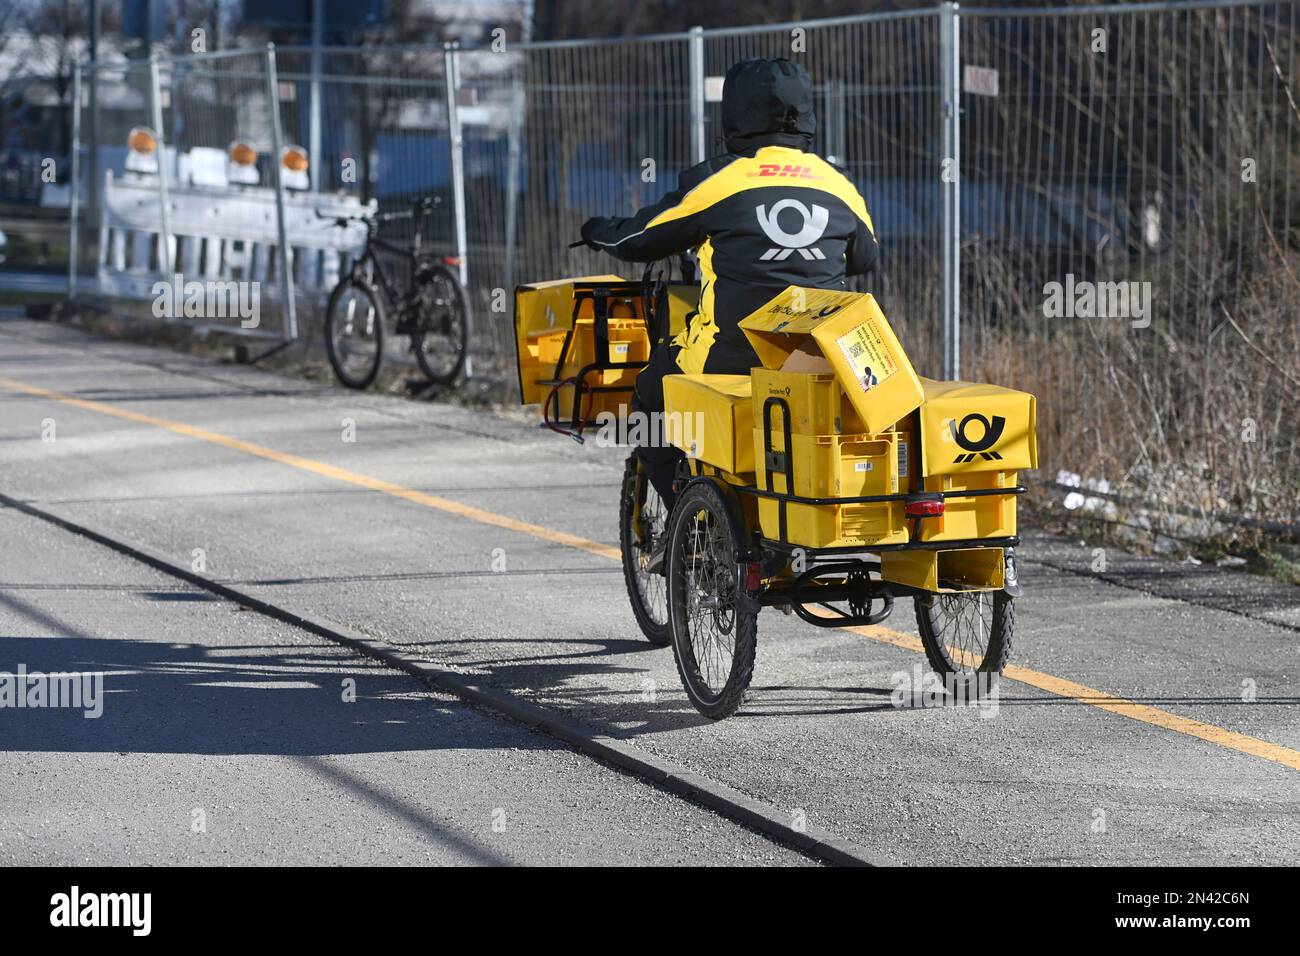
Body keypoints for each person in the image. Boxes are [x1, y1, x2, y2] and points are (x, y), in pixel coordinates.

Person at [581, 57, 879, 527]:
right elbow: (865, 257)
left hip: (731, 358)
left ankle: (693, 524)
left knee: (647, 397)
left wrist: (596, 229)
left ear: (734, 115)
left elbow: (637, 240)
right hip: (820, 359)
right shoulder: (838, 183)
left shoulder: (719, 180)